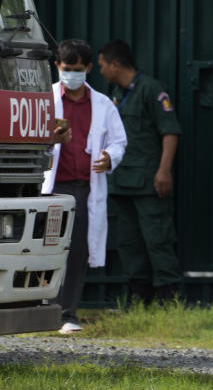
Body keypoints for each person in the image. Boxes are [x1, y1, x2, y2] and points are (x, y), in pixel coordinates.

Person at [42, 39, 127, 334]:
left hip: (82, 187)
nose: (72, 74)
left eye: (78, 69)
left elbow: (118, 141)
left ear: (89, 68)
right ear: (57, 67)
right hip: (49, 186)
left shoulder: (102, 104)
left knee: (77, 250)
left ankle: (67, 313)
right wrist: (51, 139)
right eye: (67, 69)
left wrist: (109, 157)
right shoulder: (45, 99)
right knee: (46, 249)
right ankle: (44, 310)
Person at [97, 40, 182, 303]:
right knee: (129, 243)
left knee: (158, 240)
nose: (100, 72)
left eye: (102, 66)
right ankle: (139, 299)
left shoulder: (151, 90)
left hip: (148, 183)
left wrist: (164, 171)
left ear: (116, 63)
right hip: (121, 183)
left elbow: (170, 131)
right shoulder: (115, 93)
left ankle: (169, 299)